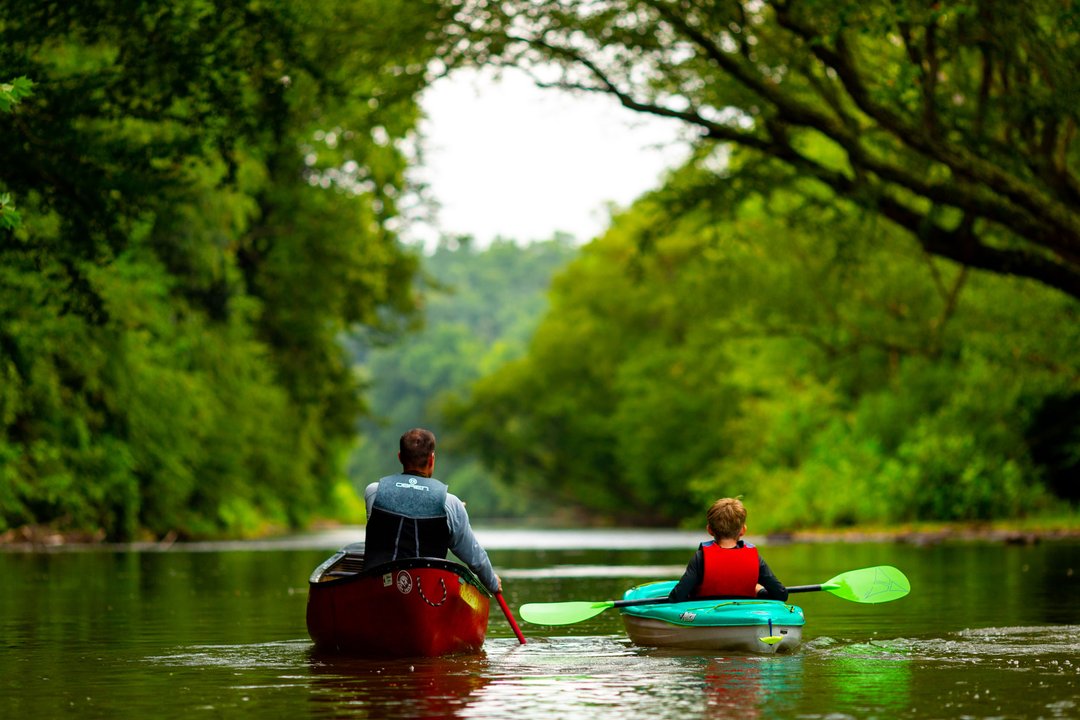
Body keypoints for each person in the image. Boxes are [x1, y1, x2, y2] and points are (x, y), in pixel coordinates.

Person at [363, 428, 501, 594]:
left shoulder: (373, 492)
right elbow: (476, 559)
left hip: (379, 589)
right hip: (429, 592)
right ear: (432, 459)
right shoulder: (451, 504)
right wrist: (493, 583)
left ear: (400, 457)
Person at [668, 497, 787, 602]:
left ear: (709, 530)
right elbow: (781, 594)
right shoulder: (755, 558)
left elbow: (676, 597)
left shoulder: (701, 558)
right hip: (744, 614)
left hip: (706, 615)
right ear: (743, 530)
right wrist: (760, 591)